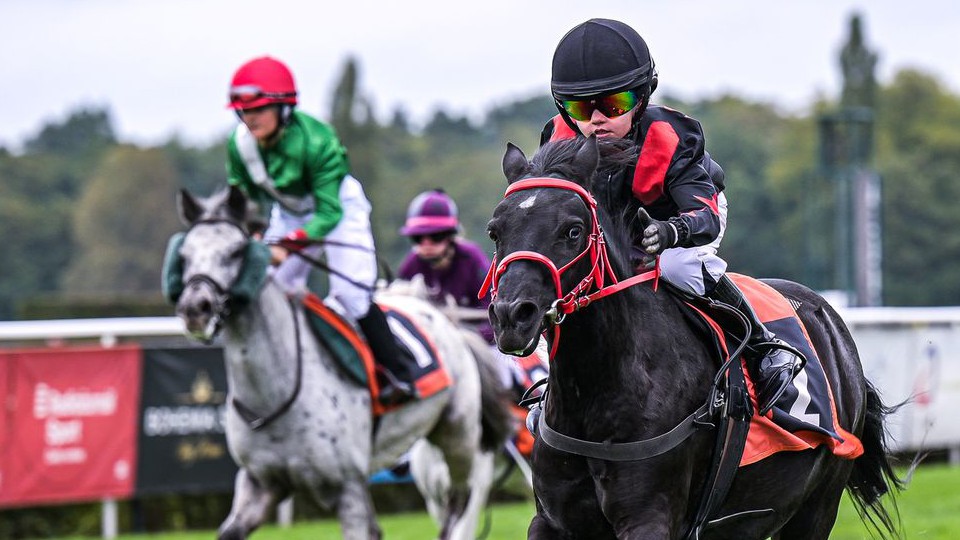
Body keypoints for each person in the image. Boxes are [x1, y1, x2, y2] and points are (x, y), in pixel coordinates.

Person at [540, 19, 803, 413]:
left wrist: (669, 231)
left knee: (677, 267)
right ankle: (554, 391)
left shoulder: (671, 139)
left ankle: (765, 352)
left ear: (642, 98)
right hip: (608, 229)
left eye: (613, 106)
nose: (596, 119)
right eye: (582, 108)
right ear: (565, 108)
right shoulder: (556, 141)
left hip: (684, 218)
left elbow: (705, 217)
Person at [224, 55, 414, 402]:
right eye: (242, 111)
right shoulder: (239, 145)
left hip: (339, 210)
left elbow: (328, 213)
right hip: (290, 212)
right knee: (268, 289)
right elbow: (244, 198)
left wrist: (288, 245)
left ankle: (398, 374)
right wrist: (251, 232)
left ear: (283, 108)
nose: (249, 119)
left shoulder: (317, 140)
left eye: (258, 110)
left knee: (350, 294)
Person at [397, 189, 534, 394]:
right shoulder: (411, 266)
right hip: (432, 344)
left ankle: (519, 412)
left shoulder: (471, 258)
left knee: (505, 377)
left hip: (479, 343)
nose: (426, 244)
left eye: (435, 236)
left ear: (451, 236)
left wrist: (463, 335)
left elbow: (494, 311)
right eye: (418, 238)